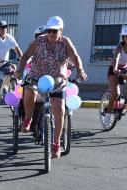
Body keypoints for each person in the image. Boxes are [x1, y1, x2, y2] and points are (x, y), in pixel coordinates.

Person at [15, 16, 88, 159]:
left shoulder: (66, 42)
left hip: (57, 81)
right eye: (49, 30)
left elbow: (75, 56)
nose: (52, 34)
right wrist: (19, 69)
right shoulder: (39, 41)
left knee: (60, 110)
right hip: (37, 77)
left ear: (61, 31)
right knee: (29, 89)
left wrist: (80, 70)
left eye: (55, 31)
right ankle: (28, 118)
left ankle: (55, 144)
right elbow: (25, 56)